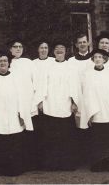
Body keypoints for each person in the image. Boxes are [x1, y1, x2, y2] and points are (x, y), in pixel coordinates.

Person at [0, 51, 33, 176]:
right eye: (0, 61)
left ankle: (14, 169)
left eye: (5, 60)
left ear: (9, 63)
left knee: (14, 142)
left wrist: (22, 114)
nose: (2, 63)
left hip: (14, 114)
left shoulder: (17, 78)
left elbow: (23, 96)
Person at [35, 40, 80, 171]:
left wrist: (74, 102)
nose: (59, 51)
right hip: (51, 106)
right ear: (54, 52)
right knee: (51, 137)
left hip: (65, 106)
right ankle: (51, 164)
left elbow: (75, 86)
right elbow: (42, 85)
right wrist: (40, 101)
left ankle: (67, 164)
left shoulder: (70, 67)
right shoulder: (48, 67)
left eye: (62, 49)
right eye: (57, 49)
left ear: (65, 52)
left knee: (66, 137)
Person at [8, 38, 37, 170]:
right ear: (10, 49)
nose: (18, 49)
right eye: (15, 46)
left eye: (20, 46)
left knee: (28, 130)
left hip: (28, 99)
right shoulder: (7, 62)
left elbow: (35, 81)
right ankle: (17, 162)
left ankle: (29, 163)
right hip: (13, 101)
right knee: (16, 130)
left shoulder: (28, 62)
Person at [68, 33, 93, 165]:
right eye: (80, 42)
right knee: (79, 127)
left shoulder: (94, 59)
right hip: (78, 98)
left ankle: (92, 156)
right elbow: (70, 82)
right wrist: (73, 101)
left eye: (84, 42)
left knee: (93, 126)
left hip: (92, 98)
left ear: (88, 43)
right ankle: (82, 157)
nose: (82, 44)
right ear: (76, 45)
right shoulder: (71, 61)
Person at [32, 40, 54, 169]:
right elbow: (34, 84)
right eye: (41, 47)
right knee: (39, 133)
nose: (44, 50)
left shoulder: (53, 62)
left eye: (46, 47)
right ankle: (40, 162)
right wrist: (38, 101)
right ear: (38, 49)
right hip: (36, 101)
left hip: (52, 102)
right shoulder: (33, 63)